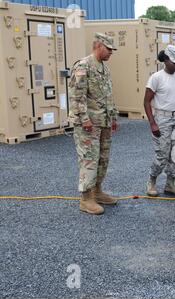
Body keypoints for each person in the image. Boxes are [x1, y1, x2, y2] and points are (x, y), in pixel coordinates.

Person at [69, 33, 119, 215]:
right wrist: (84, 119)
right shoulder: (83, 66)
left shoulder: (104, 68)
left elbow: (108, 95)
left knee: (103, 158)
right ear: (98, 46)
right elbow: (77, 96)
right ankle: (85, 198)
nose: (111, 53)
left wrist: (113, 117)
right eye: (109, 49)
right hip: (88, 123)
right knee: (89, 159)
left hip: (103, 122)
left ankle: (97, 191)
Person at [144, 45, 175, 197]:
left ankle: (170, 184)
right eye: (174, 62)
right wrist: (152, 123)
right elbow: (146, 101)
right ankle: (152, 181)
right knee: (162, 154)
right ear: (166, 60)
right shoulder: (156, 78)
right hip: (162, 118)